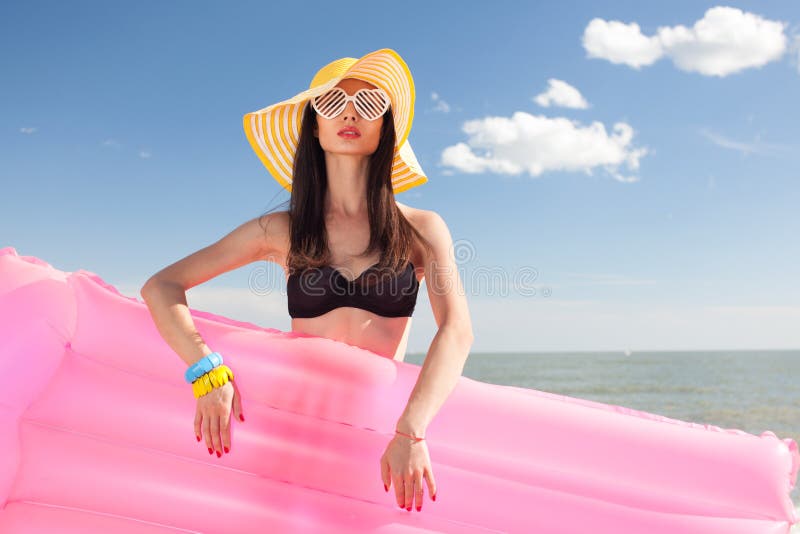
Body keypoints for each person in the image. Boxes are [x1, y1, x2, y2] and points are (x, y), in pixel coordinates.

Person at [140, 48, 474, 515]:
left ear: (386, 128)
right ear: (314, 125)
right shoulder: (282, 231)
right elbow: (162, 286)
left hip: (378, 437)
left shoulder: (420, 228)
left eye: (370, 104)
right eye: (332, 104)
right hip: (287, 428)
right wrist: (205, 370)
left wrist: (411, 429)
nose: (350, 114)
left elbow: (457, 330)